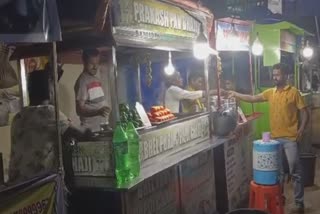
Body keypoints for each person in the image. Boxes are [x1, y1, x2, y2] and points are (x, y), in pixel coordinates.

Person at [229, 63, 309, 213]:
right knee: (278, 172)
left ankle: (299, 203)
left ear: (285, 75)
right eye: (273, 74)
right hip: (275, 140)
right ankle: (280, 198)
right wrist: (236, 94)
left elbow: (305, 112)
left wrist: (302, 129)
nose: (275, 77)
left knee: (294, 169)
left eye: (278, 74)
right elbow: (252, 98)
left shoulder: (294, 92)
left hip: (291, 137)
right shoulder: (270, 93)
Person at [8, 69, 87, 185]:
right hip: (39, 186)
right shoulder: (49, 112)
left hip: (17, 186)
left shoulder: (18, 117)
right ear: (50, 90)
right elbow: (81, 136)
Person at [74, 49, 110, 132]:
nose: (95, 67)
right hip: (91, 131)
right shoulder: (83, 81)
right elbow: (79, 110)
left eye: (97, 63)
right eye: (91, 64)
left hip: (101, 129)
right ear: (84, 62)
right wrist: (98, 112)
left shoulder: (96, 79)